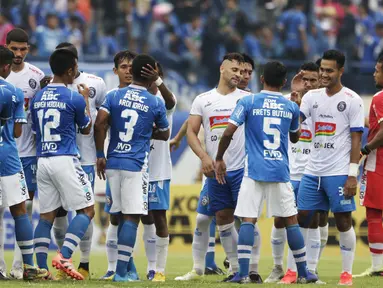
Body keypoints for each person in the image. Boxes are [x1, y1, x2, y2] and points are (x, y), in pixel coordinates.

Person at [214, 61, 317, 284]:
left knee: (248, 220)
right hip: (280, 171)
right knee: (291, 220)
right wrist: (297, 107)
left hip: (254, 171)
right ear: (283, 82)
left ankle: (242, 274)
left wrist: (219, 157)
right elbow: (295, 137)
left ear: (261, 79)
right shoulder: (290, 106)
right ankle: (303, 272)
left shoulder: (248, 101)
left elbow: (228, 132)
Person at [94, 54, 170, 282]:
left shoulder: (114, 95)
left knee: (115, 216)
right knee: (132, 218)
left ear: (133, 72)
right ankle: (120, 273)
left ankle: (121, 269)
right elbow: (165, 133)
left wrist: (100, 155)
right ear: (149, 75)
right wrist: (148, 132)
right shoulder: (154, 102)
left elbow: (99, 124)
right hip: (135, 166)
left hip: (113, 163)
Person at [175, 52, 250, 282]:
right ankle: (216, 269)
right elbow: (192, 132)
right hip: (215, 171)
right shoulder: (203, 99)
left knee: (248, 220)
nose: (238, 74)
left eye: (241, 71)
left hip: (243, 170)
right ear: (222, 69)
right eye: (234, 70)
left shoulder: (248, 98)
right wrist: (204, 158)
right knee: (220, 217)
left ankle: (250, 270)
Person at [297, 50, 364, 286]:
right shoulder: (311, 97)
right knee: (303, 216)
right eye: (322, 70)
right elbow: (294, 129)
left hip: (338, 171)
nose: (324, 74)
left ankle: (346, 273)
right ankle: (304, 270)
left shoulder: (352, 99)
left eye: (329, 70)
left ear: (340, 71)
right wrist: (294, 99)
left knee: (343, 220)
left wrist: (352, 175)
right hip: (312, 170)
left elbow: (357, 140)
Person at [31, 48, 95, 281]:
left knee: (46, 216)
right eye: (75, 69)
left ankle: (38, 269)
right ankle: (65, 256)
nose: (76, 73)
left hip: (43, 159)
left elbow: (35, 131)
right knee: (87, 209)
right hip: (65, 158)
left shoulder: (38, 97)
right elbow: (86, 128)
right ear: (69, 70)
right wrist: (86, 99)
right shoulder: (74, 98)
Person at [50, 42, 107, 280]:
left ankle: (83, 262)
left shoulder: (96, 83)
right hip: (60, 156)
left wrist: (100, 154)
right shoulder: (51, 83)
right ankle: (67, 262)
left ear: (76, 61)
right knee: (60, 213)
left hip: (84, 158)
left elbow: (101, 120)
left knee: (84, 211)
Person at [265, 62, 323, 284]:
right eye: (304, 79)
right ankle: (279, 267)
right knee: (281, 220)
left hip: (313, 170)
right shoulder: (287, 102)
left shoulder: (323, 102)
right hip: (288, 171)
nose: (308, 84)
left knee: (313, 219)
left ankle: (311, 269)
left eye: (312, 80)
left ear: (320, 80)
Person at [3, 28, 49, 279]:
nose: (18, 54)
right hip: (7, 151)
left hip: (28, 154)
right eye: (14, 49)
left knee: (24, 209)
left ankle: (19, 267)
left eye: (23, 49)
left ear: (29, 49)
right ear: (6, 46)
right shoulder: (3, 76)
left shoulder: (37, 76)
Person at [101, 50, 138, 281]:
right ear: (115, 71)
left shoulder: (145, 95)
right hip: (115, 162)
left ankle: (127, 267)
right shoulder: (111, 96)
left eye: (132, 67)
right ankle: (113, 266)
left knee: (132, 216)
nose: (128, 71)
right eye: (123, 67)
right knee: (115, 216)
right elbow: (101, 126)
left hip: (136, 164)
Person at [140, 61, 176, 282]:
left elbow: (172, 101)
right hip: (139, 169)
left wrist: (158, 80)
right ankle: (151, 267)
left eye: (155, 75)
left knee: (160, 218)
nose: (151, 79)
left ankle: (161, 270)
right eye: (148, 75)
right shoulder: (138, 100)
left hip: (159, 170)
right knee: (145, 218)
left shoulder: (163, 100)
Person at [355, 55, 383, 277]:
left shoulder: (380, 97)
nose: (374, 74)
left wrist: (366, 148)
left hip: (378, 162)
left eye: (377, 70)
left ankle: (378, 266)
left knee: (373, 213)